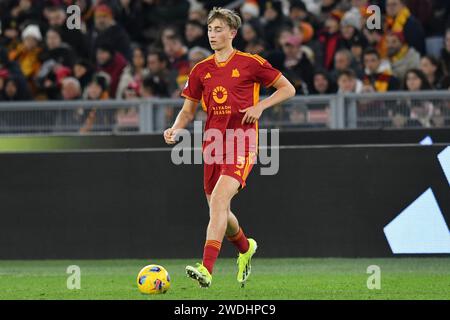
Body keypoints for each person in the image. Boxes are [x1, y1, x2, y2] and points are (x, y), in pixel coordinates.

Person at [163, 7, 295, 288]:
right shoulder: (200, 69)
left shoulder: (251, 63)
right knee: (217, 208)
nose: (213, 34)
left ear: (232, 33)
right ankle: (246, 248)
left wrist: (261, 106)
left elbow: (288, 89)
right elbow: (188, 111)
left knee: (220, 201)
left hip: (242, 142)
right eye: (210, 29)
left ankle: (206, 269)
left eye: (219, 29)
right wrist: (175, 128)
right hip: (213, 144)